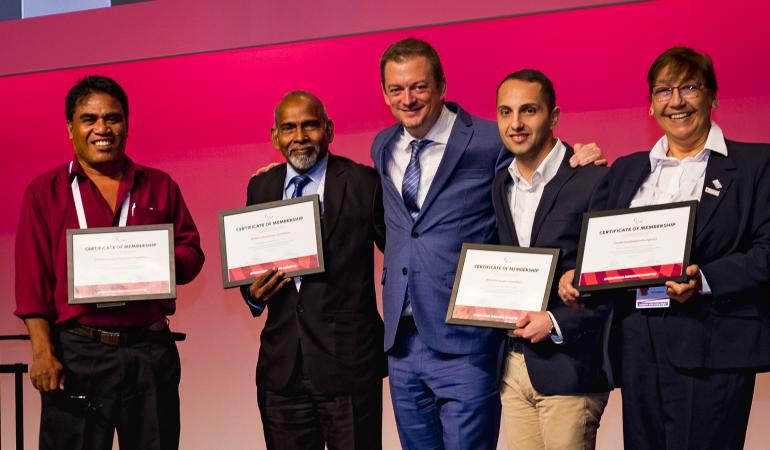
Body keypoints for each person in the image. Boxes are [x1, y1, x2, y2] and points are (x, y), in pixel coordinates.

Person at [370, 37, 605, 450]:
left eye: (419, 86)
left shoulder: (488, 138)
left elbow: (537, 164)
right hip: (402, 343)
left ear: (442, 86)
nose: (408, 98)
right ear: (385, 93)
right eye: (396, 89)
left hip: (465, 338)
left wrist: (582, 153)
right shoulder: (382, 145)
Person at [560, 46, 770, 449]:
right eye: (663, 91)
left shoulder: (755, 163)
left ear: (713, 96)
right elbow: (603, 249)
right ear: (650, 106)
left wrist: (704, 279)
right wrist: (579, 277)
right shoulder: (627, 170)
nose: (676, 101)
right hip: (637, 343)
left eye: (689, 87)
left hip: (713, 343)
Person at [14, 75, 205, 450]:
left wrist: (154, 259)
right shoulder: (44, 192)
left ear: (127, 124)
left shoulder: (159, 185)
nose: (102, 128)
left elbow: (192, 253)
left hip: (149, 352)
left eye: (113, 118)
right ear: (71, 128)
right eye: (89, 119)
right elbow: (31, 284)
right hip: (78, 356)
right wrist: (42, 353)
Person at [241, 91, 386, 450]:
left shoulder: (366, 184)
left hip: (349, 367)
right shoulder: (261, 186)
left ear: (329, 130)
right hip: (282, 370)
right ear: (275, 137)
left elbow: (402, 255)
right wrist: (253, 295)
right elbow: (251, 264)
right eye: (288, 128)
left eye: (310, 125)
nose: (300, 136)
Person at [492, 69, 611, 449]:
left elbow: (612, 279)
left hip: (570, 367)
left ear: (554, 117)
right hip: (513, 366)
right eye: (505, 112)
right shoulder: (500, 183)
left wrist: (557, 320)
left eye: (528, 111)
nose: (516, 124)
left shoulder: (593, 178)